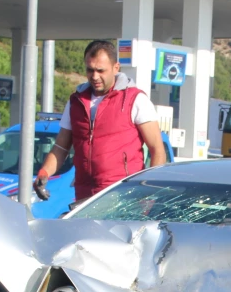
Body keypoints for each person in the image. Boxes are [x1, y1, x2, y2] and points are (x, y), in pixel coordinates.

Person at [36, 40, 167, 204]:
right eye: (90, 70)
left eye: (100, 70)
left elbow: (157, 150)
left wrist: (149, 193)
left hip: (124, 196)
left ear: (116, 68)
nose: (95, 76)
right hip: (84, 196)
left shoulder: (135, 99)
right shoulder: (76, 101)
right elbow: (61, 147)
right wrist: (44, 172)